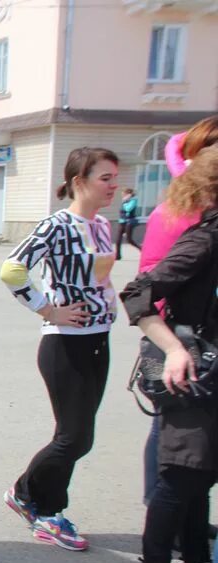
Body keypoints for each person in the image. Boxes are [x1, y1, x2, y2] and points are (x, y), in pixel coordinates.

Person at [0, 147, 119, 552]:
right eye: (105, 178)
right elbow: (12, 268)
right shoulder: (58, 225)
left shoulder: (102, 225)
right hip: (65, 345)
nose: (113, 185)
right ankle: (34, 500)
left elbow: (99, 280)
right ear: (78, 181)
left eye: (114, 177)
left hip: (98, 340)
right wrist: (47, 308)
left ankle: (41, 502)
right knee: (73, 437)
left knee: (78, 436)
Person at [119, 147, 218, 563]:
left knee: (200, 476)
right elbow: (139, 292)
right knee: (182, 475)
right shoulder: (206, 238)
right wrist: (174, 348)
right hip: (197, 375)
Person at [139, 115, 218, 508]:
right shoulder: (173, 212)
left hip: (201, 340)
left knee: (195, 447)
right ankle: (163, 516)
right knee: (169, 433)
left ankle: (185, 526)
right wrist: (168, 343)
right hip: (168, 340)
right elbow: (143, 287)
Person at [116, 188, 141, 260]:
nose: (123, 196)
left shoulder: (133, 200)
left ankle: (142, 249)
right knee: (118, 239)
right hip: (122, 222)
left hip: (129, 222)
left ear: (129, 194)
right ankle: (118, 255)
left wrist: (125, 202)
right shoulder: (124, 201)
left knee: (129, 240)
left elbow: (128, 209)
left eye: (124, 194)